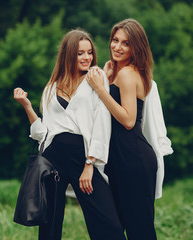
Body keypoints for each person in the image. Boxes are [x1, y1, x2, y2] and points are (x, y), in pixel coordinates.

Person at [14, 29, 126, 240]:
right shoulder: (52, 87)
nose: (87, 57)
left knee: (107, 222)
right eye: (80, 53)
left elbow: (102, 121)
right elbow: (43, 133)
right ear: (68, 54)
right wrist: (27, 106)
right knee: (50, 225)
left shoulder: (96, 77)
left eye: (89, 52)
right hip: (52, 158)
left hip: (82, 156)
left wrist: (90, 163)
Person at [86, 18, 159, 239]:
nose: (117, 47)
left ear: (136, 47)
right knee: (118, 226)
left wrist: (101, 89)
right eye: (115, 40)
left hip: (133, 158)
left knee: (140, 229)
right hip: (121, 159)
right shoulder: (121, 72)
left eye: (125, 43)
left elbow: (128, 121)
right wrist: (107, 81)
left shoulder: (128, 73)